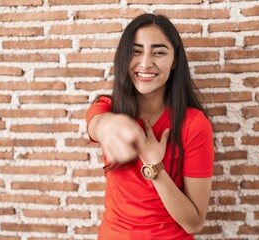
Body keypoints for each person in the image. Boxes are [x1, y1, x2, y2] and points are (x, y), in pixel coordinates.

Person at [86, 13, 214, 240]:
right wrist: (110, 126)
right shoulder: (107, 108)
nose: (145, 63)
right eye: (136, 51)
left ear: (175, 61)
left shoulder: (194, 124)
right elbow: (99, 124)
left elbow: (194, 224)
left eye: (159, 52)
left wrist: (154, 166)